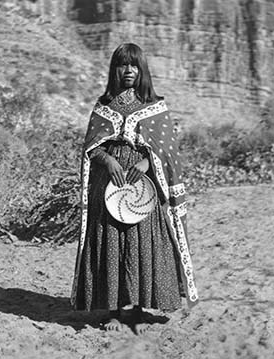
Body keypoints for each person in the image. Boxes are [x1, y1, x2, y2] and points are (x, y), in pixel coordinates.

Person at [70, 43, 198, 333]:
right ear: (114, 69)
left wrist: (146, 164)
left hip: (144, 185)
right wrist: (108, 160)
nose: (128, 70)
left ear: (142, 70)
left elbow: (168, 152)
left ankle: (139, 310)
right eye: (122, 65)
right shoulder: (104, 106)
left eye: (134, 65)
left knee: (141, 242)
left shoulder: (156, 107)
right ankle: (115, 311)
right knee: (112, 243)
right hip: (109, 184)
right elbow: (91, 147)